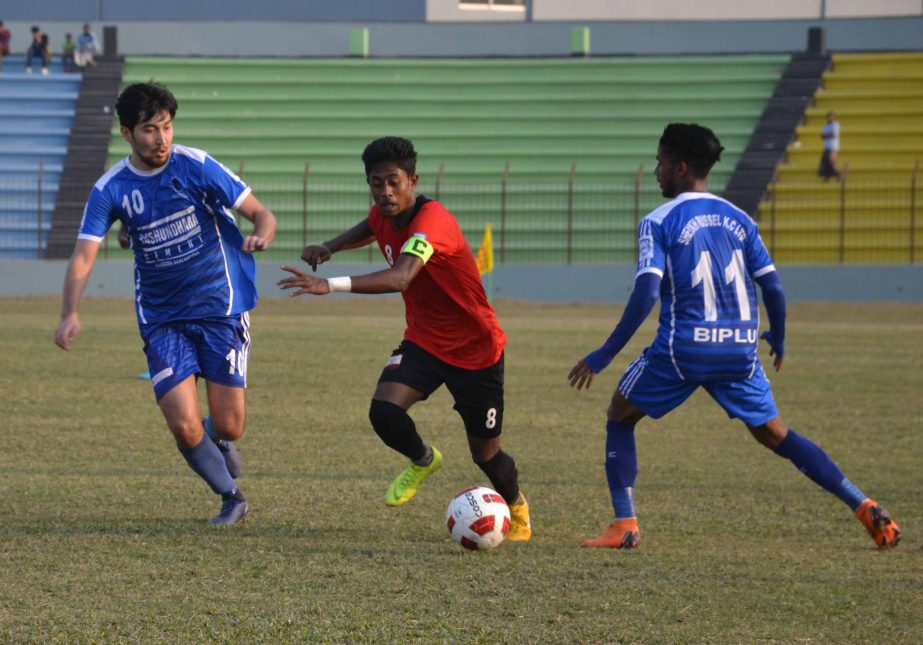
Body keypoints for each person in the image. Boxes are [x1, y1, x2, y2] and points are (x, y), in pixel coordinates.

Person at [568, 123, 900, 550]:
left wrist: (603, 354)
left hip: (683, 348)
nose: (656, 172)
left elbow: (648, 291)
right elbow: (774, 287)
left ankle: (625, 524)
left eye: (661, 163)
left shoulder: (659, 221)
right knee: (776, 434)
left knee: (619, 414)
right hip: (739, 349)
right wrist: (778, 337)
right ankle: (863, 505)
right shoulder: (740, 219)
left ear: (681, 167)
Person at [277, 136, 531, 541]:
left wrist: (330, 284)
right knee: (384, 412)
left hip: (476, 351)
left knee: (486, 455)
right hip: (425, 343)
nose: (386, 192)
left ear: (413, 180)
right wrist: (331, 245)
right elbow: (371, 226)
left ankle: (515, 506)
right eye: (377, 183)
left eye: (394, 182)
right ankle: (423, 459)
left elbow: (401, 277)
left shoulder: (433, 221)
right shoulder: (384, 214)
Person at [54, 82, 277, 525]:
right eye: (150, 129)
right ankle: (232, 497)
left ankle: (222, 441)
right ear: (127, 133)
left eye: (167, 127)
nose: (161, 139)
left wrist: (262, 235)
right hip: (162, 318)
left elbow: (262, 213)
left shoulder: (196, 165)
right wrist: (69, 312)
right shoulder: (110, 188)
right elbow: (83, 255)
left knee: (229, 426)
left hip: (220, 305)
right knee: (183, 424)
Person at [818, 111, 842, 182]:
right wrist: (828, 135)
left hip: (833, 146)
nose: (829, 118)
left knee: (831, 162)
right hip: (826, 147)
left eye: (830, 117)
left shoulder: (835, 124)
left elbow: (833, 135)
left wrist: (826, 135)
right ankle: (827, 177)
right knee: (825, 163)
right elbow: (822, 136)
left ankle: (839, 175)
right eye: (828, 117)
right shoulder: (825, 126)